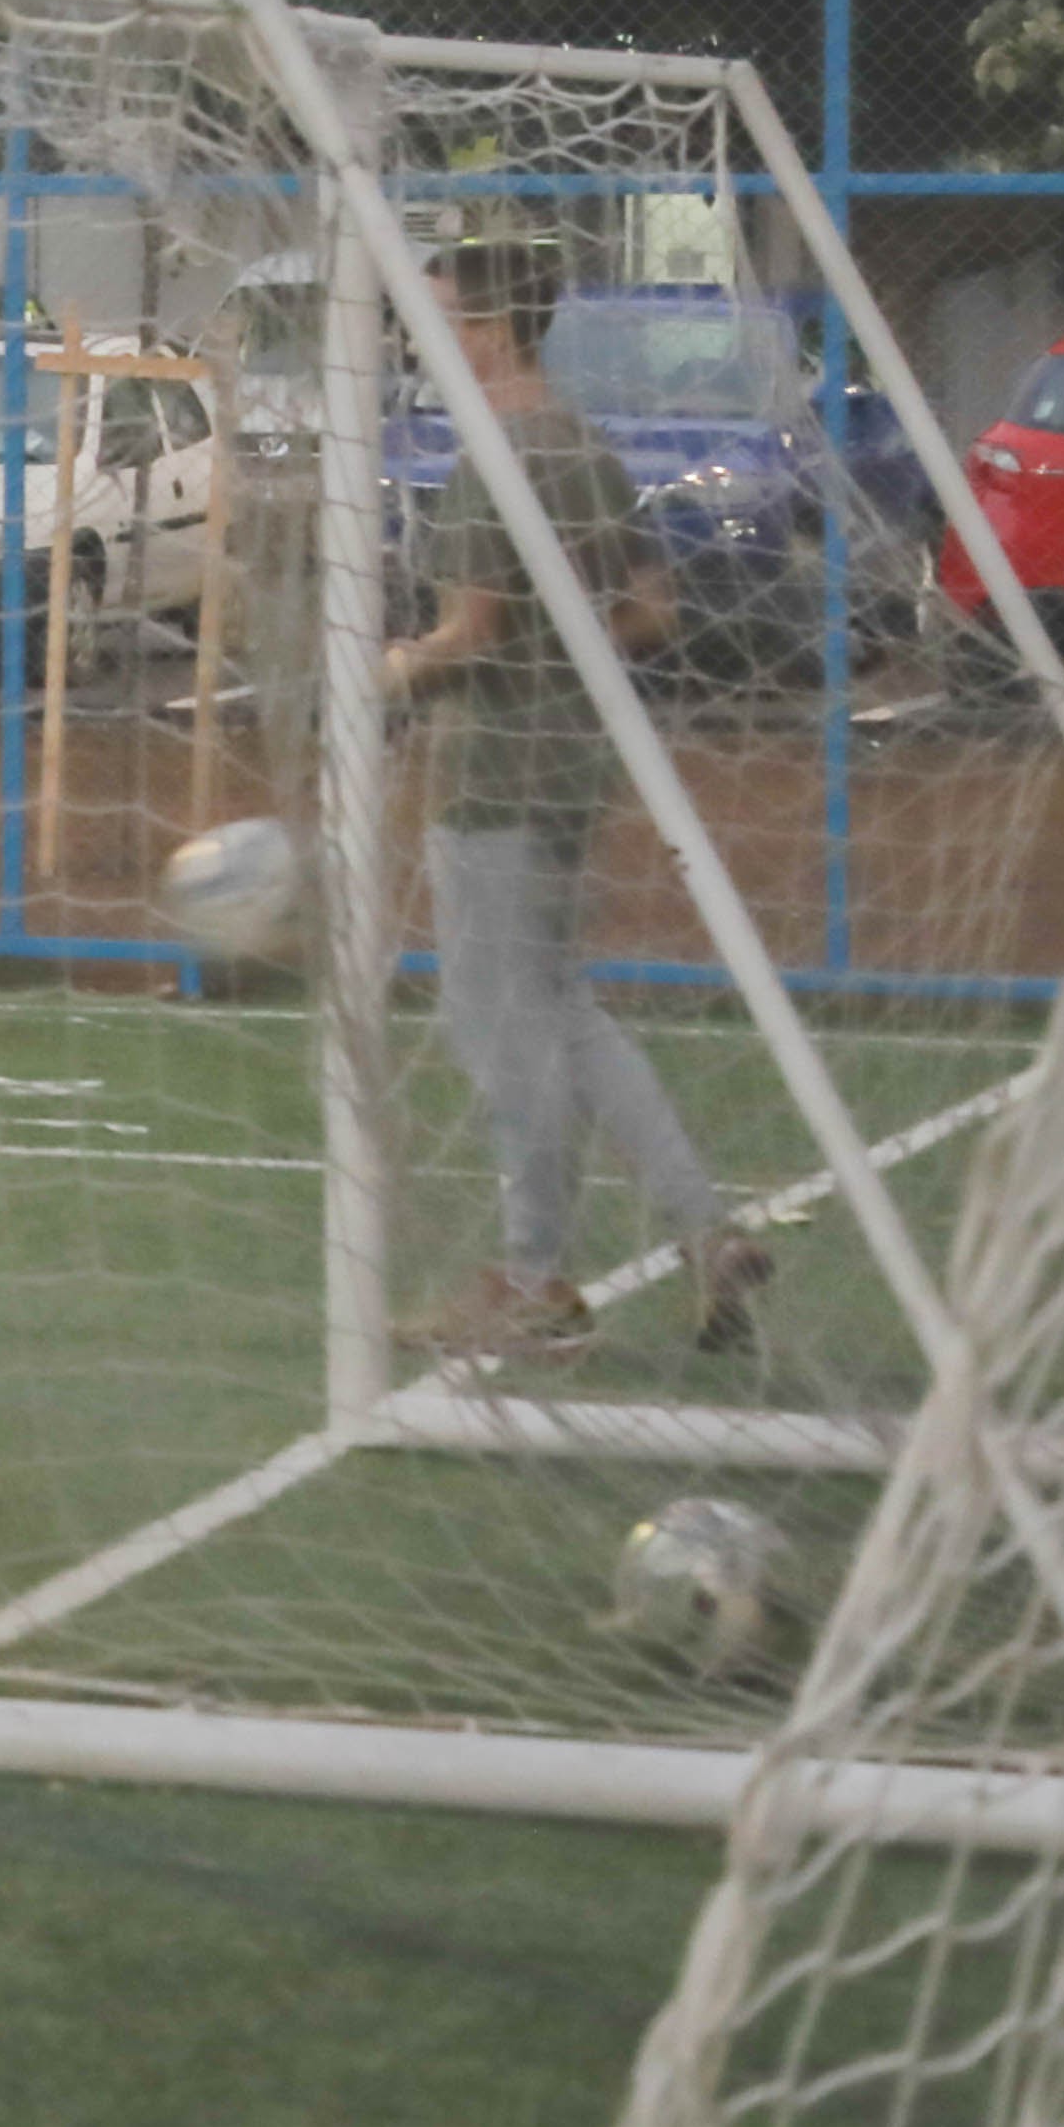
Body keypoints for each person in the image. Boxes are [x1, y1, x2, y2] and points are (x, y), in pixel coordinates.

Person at [395, 244, 769, 1361]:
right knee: (562, 1005)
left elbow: (472, 635)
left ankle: (533, 1276)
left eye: (441, 313)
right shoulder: (586, 450)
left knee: (499, 1026)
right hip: (571, 767)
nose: (426, 334)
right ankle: (708, 1228)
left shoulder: (493, 461)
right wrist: (563, 656)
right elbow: (649, 610)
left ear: (493, 331)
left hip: (494, 774)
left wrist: (389, 666)